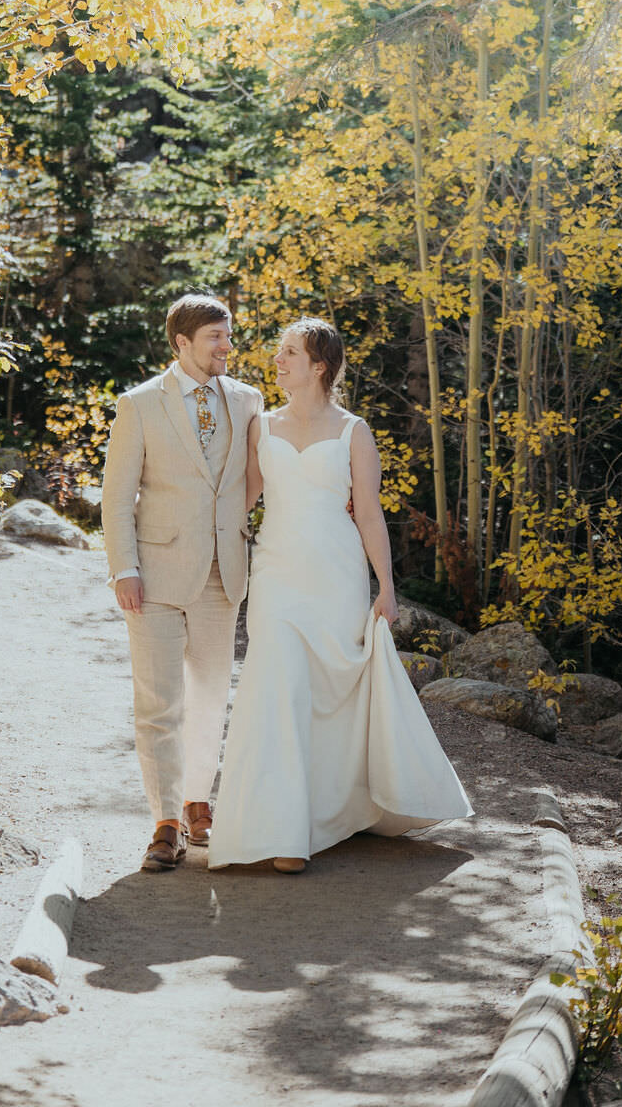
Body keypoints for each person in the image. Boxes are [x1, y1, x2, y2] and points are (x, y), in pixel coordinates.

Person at [207, 317, 472, 874]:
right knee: (277, 686)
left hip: (337, 575)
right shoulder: (262, 424)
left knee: (330, 691)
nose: (277, 360)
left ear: (319, 365)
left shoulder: (355, 431)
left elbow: (370, 514)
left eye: (289, 352)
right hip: (276, 573)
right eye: (279, 351)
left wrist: (387, 588)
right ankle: (282, 832)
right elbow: (245, 496)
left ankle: (331, 810)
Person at [101, 294, 263, 872]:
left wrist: (236, 526)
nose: (226, 346)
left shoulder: (248, 401)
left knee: (211, 699)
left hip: (224, 572)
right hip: (156, 576)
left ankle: (199, 801)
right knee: (158, 703)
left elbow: (252, 478)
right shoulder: (140, 405)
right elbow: (118, 497)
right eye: (216, 337)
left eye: (227, 335)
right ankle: (165, 823)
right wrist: (125, 569)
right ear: (182, 343)